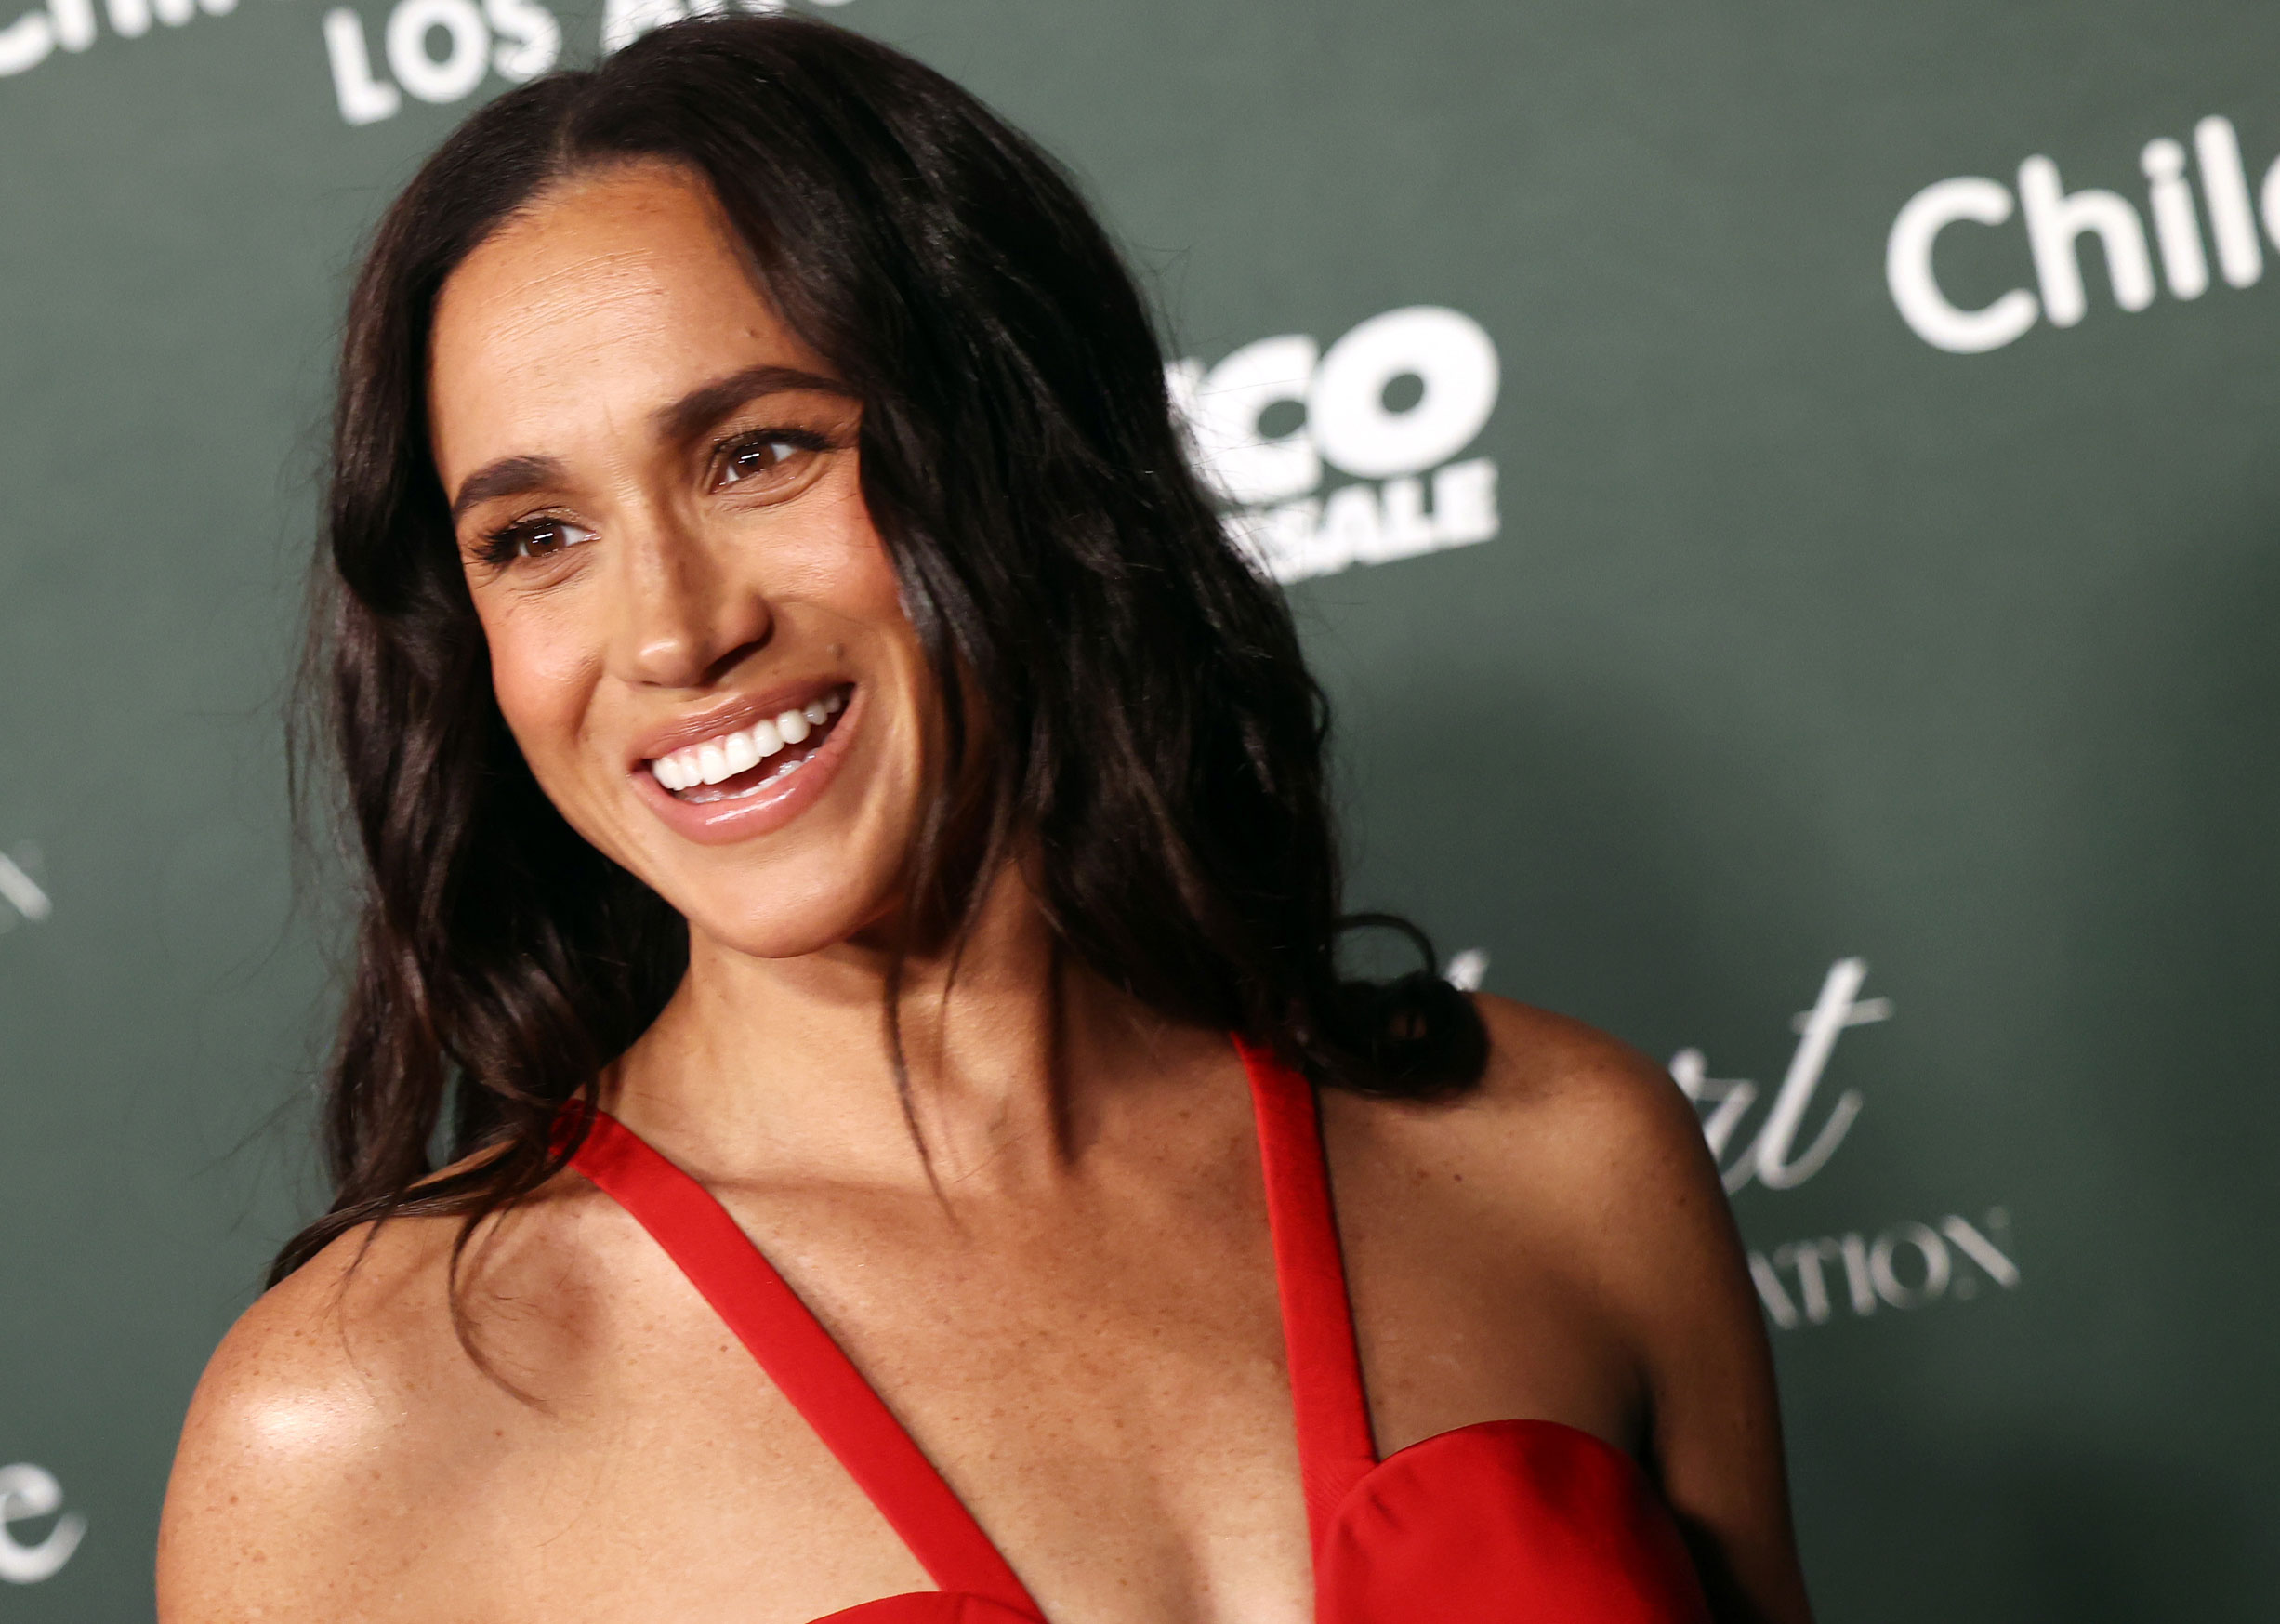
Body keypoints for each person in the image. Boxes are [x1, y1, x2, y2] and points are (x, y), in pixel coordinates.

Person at [158, 17, 1809, 1623]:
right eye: (533, 537)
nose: (670, 634)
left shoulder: (1561, 1164)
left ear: (1023, 451)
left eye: (757, 453)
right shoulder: (356, 1428)